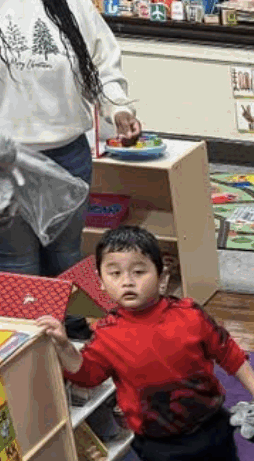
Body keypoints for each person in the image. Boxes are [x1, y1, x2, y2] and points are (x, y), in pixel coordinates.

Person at [42, 225, 254, 461]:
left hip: (209, 423)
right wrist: (64, 345)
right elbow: (87, 375)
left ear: (163, 278)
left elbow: (228, 351)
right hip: (158, 439)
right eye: (115, 273)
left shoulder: (190, 315)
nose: (127, 282)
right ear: (101, 284)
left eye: (139, 272)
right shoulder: (106, 334)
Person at [0, 0, 140, 307]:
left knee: (67, 254)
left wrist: (118, 110)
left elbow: (102, 67)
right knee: (18, 262)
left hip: (68, 155)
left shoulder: (74, 6)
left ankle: (76, 331)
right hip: (6, 163)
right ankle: (30, 347)